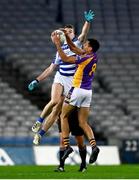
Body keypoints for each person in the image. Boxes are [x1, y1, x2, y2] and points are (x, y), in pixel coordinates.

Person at [28, 10, 95, 146]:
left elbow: (84, 33)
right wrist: (37, 80)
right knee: (54, 101)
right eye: (66, 31)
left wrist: (87, 21)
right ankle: (39, 121)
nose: (68, 33)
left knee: (57, 111)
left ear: (73, 34)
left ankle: (40, 135)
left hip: (72, 81)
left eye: (70, 31)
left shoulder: (77, 43)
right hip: (60, 77)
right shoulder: (60, 50)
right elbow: (51, 68)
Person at [51, 29, 100, 164]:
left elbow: (66, 58)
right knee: (83, 123)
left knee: (63, 116)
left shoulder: (84, 57)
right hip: (88, 92)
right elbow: (74, 48)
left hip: (77, 90)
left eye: (85, 44)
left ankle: (66, 146)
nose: (83, 45)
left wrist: (58, 45)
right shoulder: (93, 56)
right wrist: (67, 36)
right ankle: (94, 146)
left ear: (89, 48)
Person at [55, 108, 87, 172]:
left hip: (75, 116)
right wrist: (56, 114)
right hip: (62, 115)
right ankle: (61, 166)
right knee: (62, 141)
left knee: (80, 142)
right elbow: (57, 102)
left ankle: (83, 164)